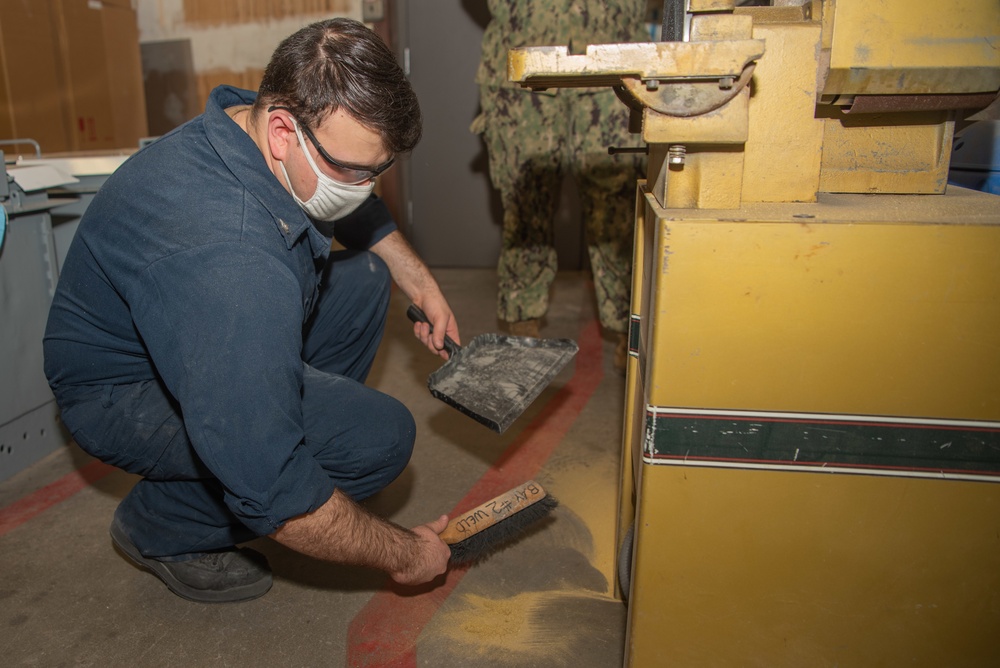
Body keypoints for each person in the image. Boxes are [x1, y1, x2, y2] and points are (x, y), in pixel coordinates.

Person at [43, 18, 457, 603]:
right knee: (377, 441)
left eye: (378, 172)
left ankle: (276, 412)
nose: (365, 189)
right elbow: (274, 484)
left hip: (198, 323)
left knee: (364, 276)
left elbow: (347, 188)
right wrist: (406, 553)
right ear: (284, 131)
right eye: (356, 173)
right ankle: (162, 525)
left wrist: (418, 279)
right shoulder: (230, 261)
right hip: (120, 391)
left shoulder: (251, 124)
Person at [471, 0, 647, 369]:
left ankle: (626, 328)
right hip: (525, 58)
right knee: (524, 205)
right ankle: (522, 323)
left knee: (617, 211)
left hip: (614, 58)